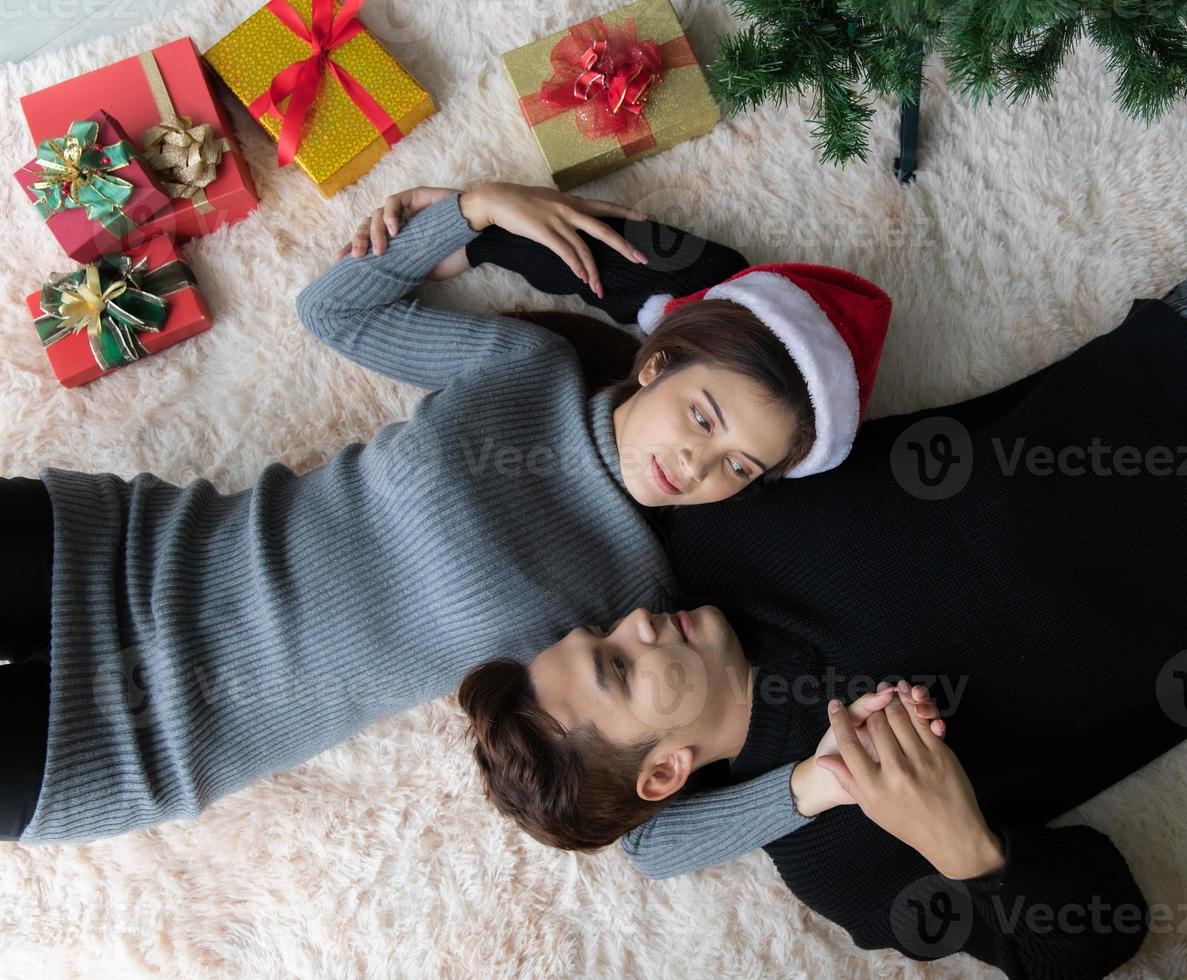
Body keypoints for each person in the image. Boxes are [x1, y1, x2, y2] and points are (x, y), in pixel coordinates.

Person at [458, 142, 1187, 977]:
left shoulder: (715, 520)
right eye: (619, 665)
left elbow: (725, 323)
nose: (633, 621)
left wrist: (481, 218)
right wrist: (966, 844)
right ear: (668, 769)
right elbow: (1100, 932)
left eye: (602, 630)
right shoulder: (838, 852)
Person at [0, 180, 893, 848]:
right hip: (114, 553)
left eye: (739, 465)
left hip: (135, 743)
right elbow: (334, 311)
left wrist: (812, 788)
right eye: (704, 417)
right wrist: (476, 208)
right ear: (658, 364)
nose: (697, 464)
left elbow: (648, 838)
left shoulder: (637, 603)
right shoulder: (525, 370)